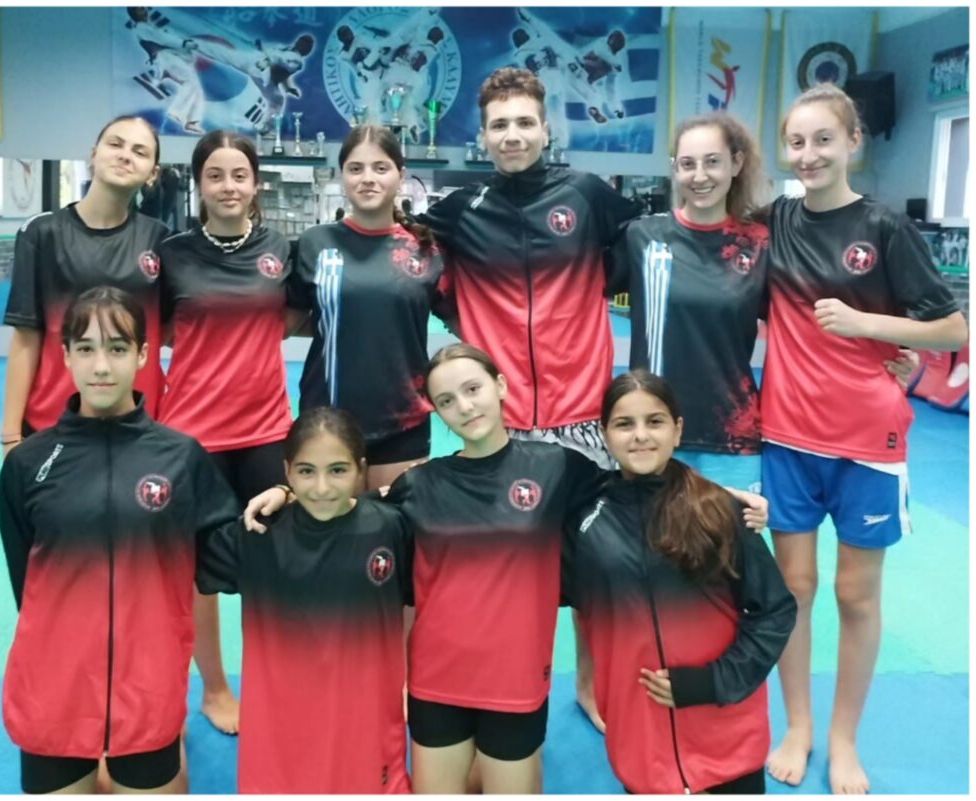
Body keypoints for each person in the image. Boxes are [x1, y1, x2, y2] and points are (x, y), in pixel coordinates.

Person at [246, 344, 769, 793]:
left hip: (516, 685)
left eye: (473, 389)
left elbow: (636, 484)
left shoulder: (556, 466)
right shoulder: (419, 484)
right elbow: (342, 506)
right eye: (447, 400)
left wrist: (716, 494)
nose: (464, 406)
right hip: (435, 681)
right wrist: (287, 492)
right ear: (437, 412)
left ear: (499, 387)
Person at [419, 66, 640, 732]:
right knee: (505, 574)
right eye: (499, 125)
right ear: (482, 136)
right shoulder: (460, 211)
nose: (512, 135)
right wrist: (462, 321)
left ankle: (591, 685)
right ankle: (502, 682)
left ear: (546, 129)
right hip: (501, 425)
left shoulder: (590, 196)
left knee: (599, 565)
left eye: (523, 123)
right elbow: (409, 266)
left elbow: (659, 257)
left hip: (584, 416)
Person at [761, 83, 967, 795]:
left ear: (854, 141)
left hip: (868, 440)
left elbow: (952, 328)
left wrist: (868, 326)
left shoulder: (884, 228)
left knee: (855, 594)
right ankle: (798, 725)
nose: (809, 154)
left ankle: (843, 738)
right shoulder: (776, 220)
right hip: (787, 436)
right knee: (793, 589)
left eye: (824, 139)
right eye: (796, 142)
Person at [0, 286, 242, 794]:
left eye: (117, 348)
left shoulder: (182, 458)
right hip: (53, 690)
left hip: (149, 690)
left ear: (143, 355)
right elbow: (27, 583)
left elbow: (224, 561)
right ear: (65, 355)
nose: (102, 366)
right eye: (86, 348)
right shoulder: (28, 463)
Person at [563, 369, 796, 794]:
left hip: (728, 740)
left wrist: (716, 681)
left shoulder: (718, 510)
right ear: (604, 434)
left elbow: (775, 609)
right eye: (624, 424)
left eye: (654, 421)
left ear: (677, 429)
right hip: (641, 744)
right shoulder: (583, 521)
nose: (640, 435)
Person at [196, 407, 413, 793]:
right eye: (307, 471)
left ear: (361, 470)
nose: (322, 488)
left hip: (365, 731)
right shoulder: (257, 535)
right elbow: (171, 543)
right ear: (288, 471)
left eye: (338, 470)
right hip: (280, 740)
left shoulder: (390, 528)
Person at [157, 129, 294, 734]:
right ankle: (214, 689)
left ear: (255, 183)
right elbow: (157, 331)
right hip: (193, 437)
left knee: (275, 566)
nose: (229, 186)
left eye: (240, 174)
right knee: (199, 574)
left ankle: (273, 683)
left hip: (266, 430)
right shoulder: (173, 254)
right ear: (199, 184)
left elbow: (293, 316)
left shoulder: (280, 248)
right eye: (215, 175)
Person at [610, 112, 768, 492]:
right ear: (674, 169)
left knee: (729, 534)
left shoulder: (760, 245)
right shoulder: (642, 238)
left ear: (736, 163)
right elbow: (575, 291)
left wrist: (888, 352)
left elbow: (802, 320)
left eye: (712, 162)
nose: (699, 176)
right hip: (651, 435)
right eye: (687, 164)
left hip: (731, 436)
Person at [288, 124, 444, 491]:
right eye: (356, 168)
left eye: (380, 168)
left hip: (403, 421)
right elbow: (286, 323)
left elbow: (467, 323)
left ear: (400, 176)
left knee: (396, 523)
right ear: (342, 176)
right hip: (326, 421)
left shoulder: (426, 250)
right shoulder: (315, 243)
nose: (368, 178)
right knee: (330, 525)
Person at [1, 115, 167, 459]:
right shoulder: (41, 233)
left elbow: (178, 330)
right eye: (115, 144)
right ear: (93, 154)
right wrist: (10, 436)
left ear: (152, 173)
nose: (125, 155)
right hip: (53, 422)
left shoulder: (161, 240)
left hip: (140, 424)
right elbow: (25, 339)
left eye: (139, 151)